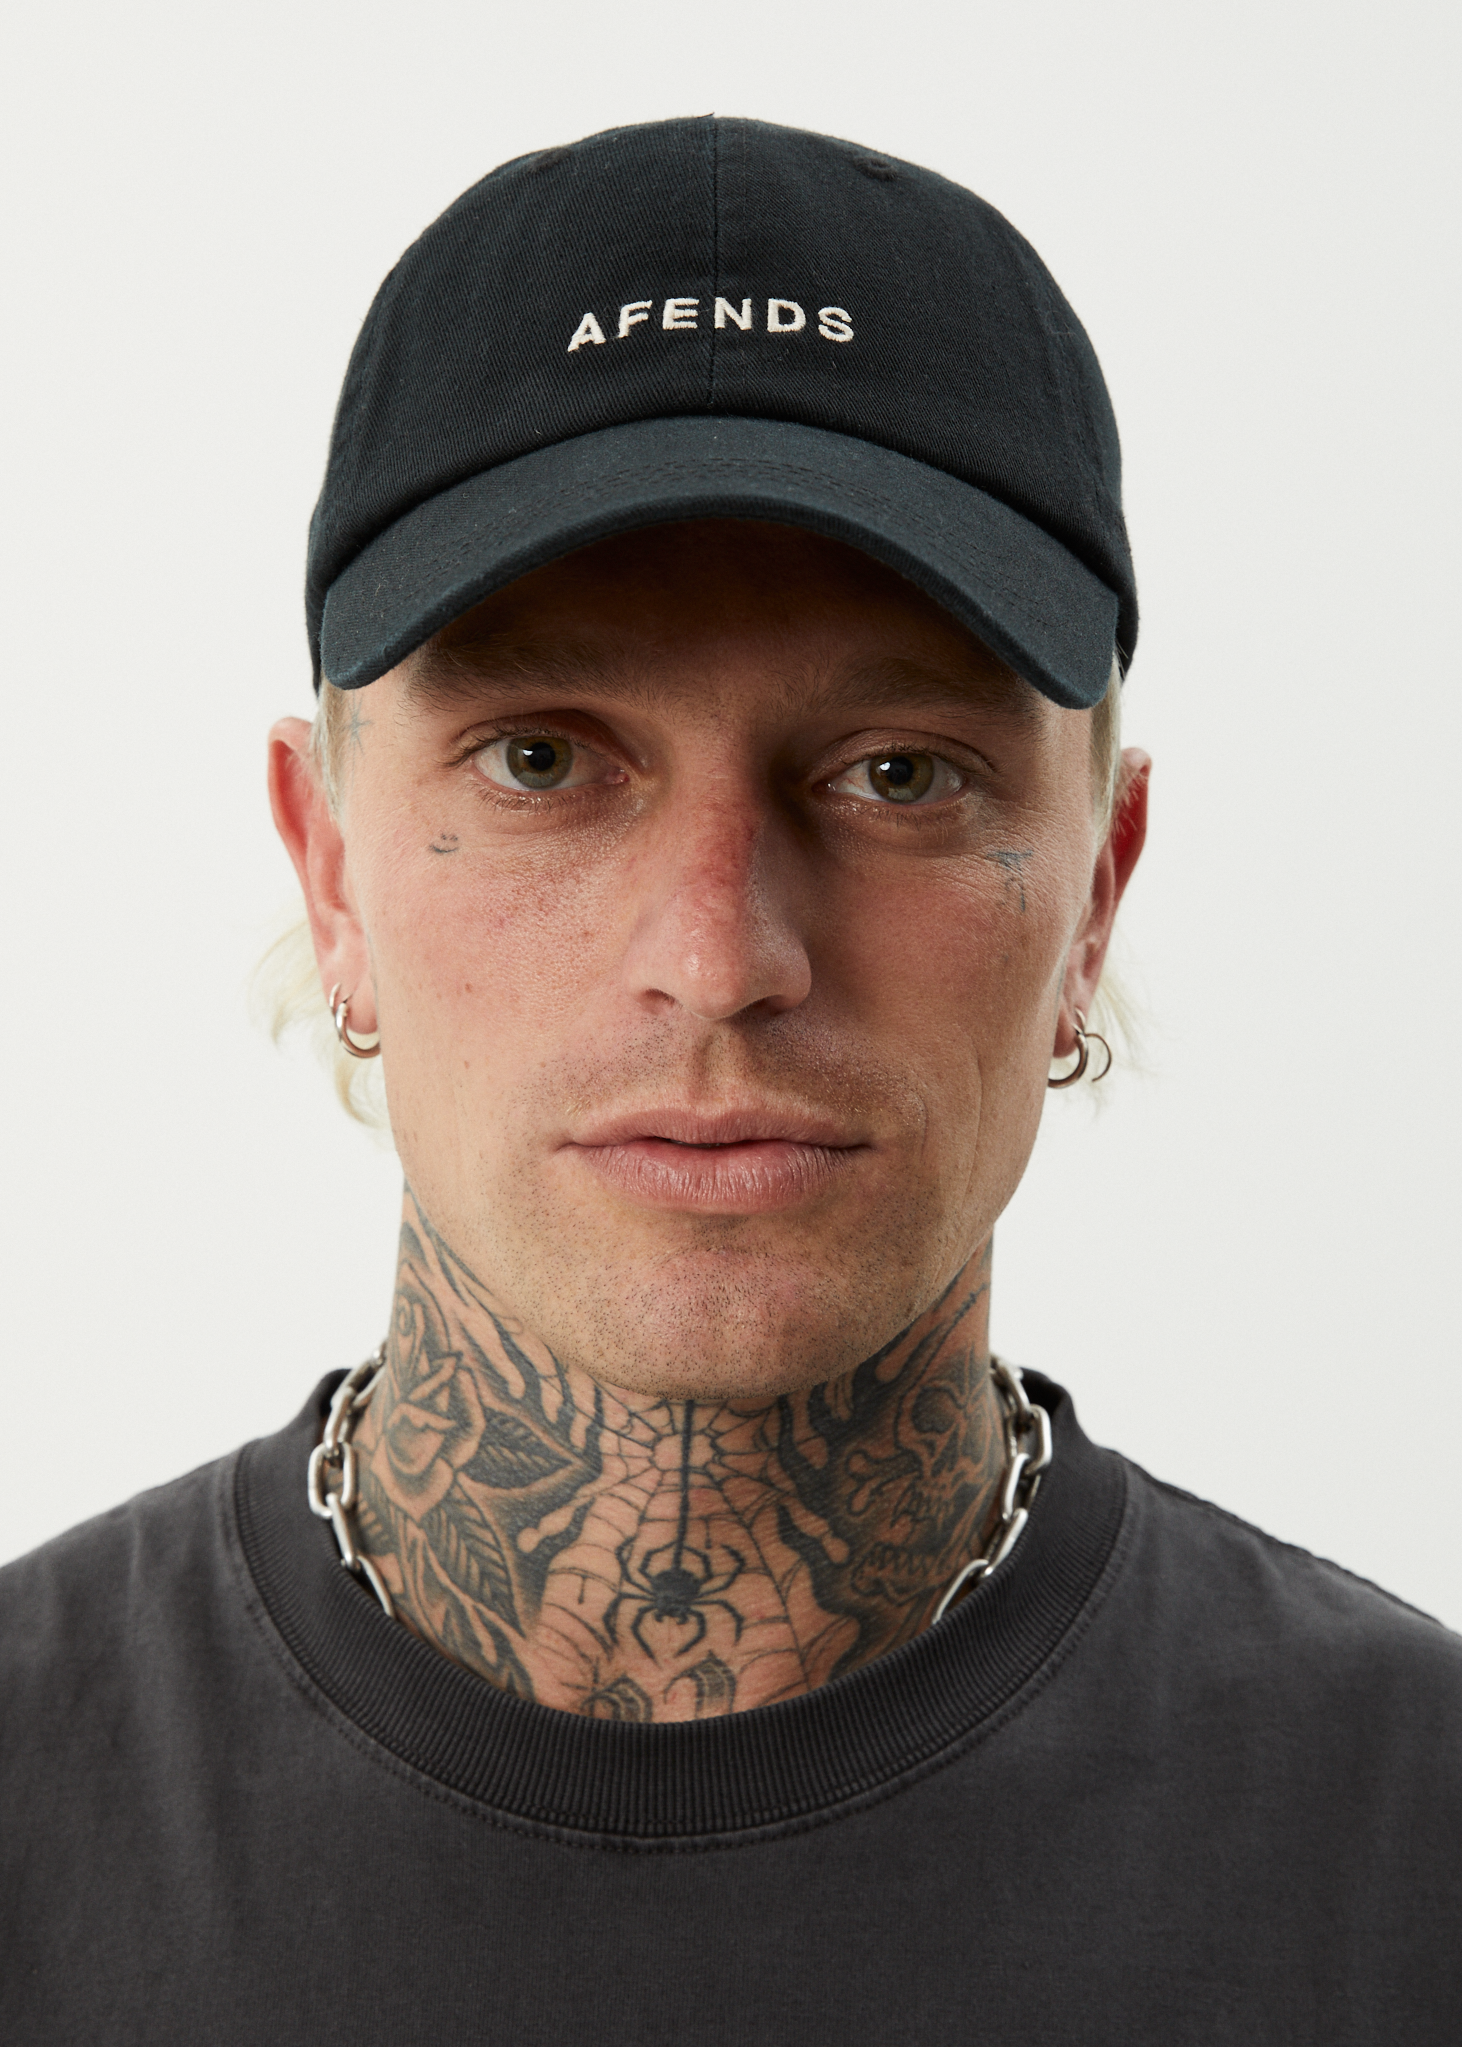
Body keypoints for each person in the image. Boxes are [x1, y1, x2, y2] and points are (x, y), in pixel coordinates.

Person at [1, 116, 1457, 2044]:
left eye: (898, 772)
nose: (720, 954)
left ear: (1094, 895)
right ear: (329, 867)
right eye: (540, 759)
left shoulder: (1409, 1839)